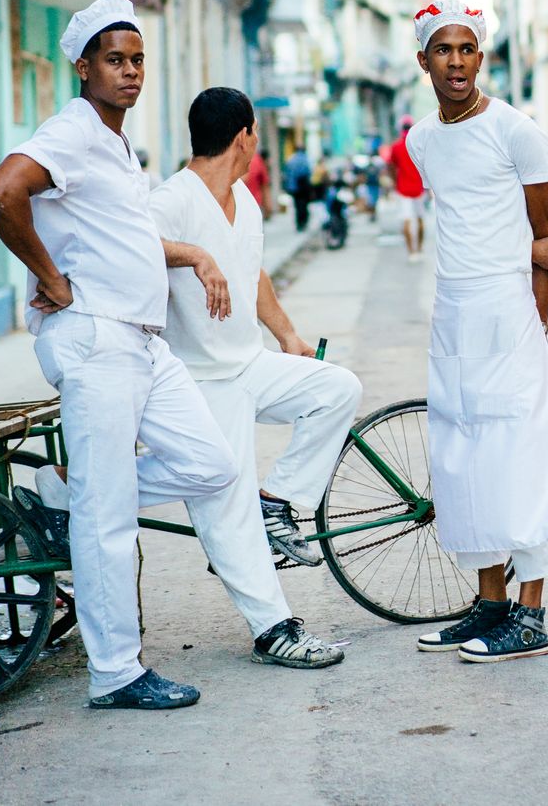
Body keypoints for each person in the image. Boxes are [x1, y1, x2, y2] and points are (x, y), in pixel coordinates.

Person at [0, 0, 238, 711]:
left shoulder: (117, 144)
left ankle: (67, 494)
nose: (130, 72)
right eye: (114, 61)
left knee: (211, 464)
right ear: (84, 68)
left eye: (137, 60)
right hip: (96, 338)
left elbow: (125, 238)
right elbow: (2, 193)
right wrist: (50, 276)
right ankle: (116, 673)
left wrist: (192, 253)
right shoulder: (71, 131)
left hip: (141, 342)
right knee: (109, 518)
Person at [403, 0, 548, 663]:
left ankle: (531, 615)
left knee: (520, 452)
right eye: (443, 50)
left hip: (509, 312)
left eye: (467, 50)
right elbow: (463, 225)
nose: (456, 62)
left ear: (481, 57)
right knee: (463, 456)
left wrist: (536, 320)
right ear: (424, 60)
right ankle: (489, 604)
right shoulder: (421, 140)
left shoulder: (517, 132)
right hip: (453, 312)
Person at [148, 87, 360, 669]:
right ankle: (273, 629)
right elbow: (135, 245)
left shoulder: (245, 198)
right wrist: (194, 255)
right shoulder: (172, 199)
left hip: (250, 363)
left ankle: (278, 501)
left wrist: (287, 336)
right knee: (225, 505)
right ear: (244, 136)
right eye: (256, 133)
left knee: (337, 388)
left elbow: (253, 272)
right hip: (201, 380)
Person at [389, 115, 426, 260]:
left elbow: (391, 166)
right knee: (420, 219)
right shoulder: (419, 145)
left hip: (403, 189)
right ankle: (420, 248)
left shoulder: (396, 146)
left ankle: (411, 253)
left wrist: (395, 181)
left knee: (406, 221)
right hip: (418, 188)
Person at [283, 145, 312, 232]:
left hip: (294, 187)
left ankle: (299, 223)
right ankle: (303, 222)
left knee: (297, 205)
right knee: (304, 205)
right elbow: (308, 172)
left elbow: (287, 173)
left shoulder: (291, 159)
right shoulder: (305, 159)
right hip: (303, 186)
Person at [245, 145, 273, 218]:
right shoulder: (260, 164)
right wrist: (268, 207)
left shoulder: (246, 160)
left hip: (243, 202)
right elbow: (265, 187)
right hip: (256, 202)